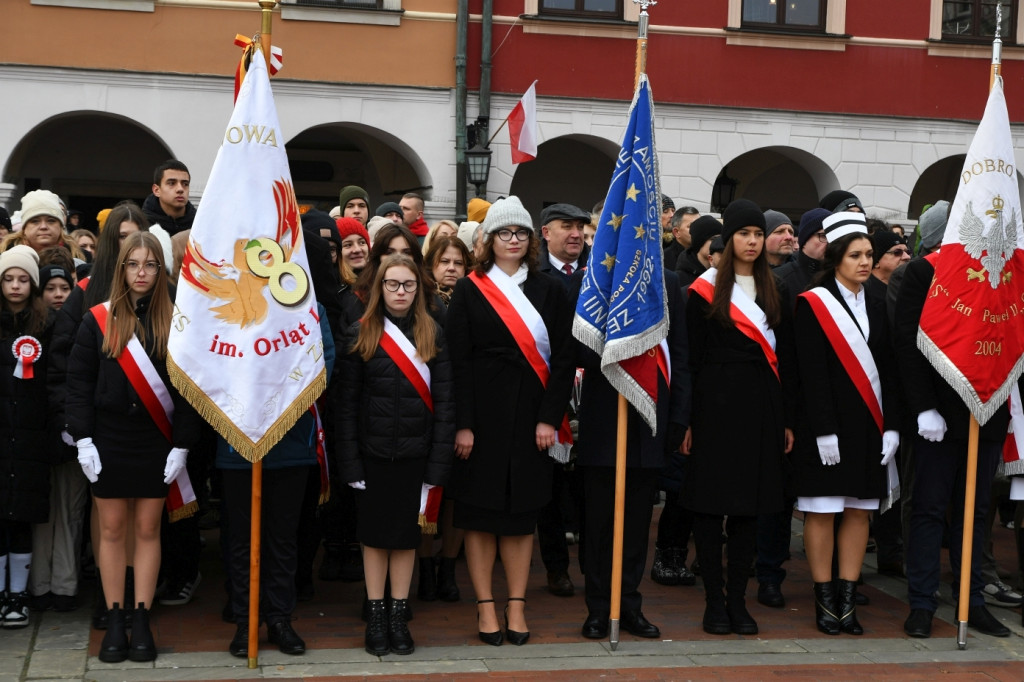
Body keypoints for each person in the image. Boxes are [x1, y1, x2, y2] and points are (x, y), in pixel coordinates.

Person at [446, 196, 575, 646]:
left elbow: (561, 362)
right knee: (479, 514)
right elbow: (456, 361)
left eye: (520, 232)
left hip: (531, 416)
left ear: (531, 239)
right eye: (504, 232)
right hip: (481, 416)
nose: (513, 240)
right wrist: (463, 423)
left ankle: (516, 603)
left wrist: (548, 419)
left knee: (522, 514)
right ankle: (485, 604)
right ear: (488, 240)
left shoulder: (550, 289)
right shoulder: (470, 288)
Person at [66, 231, 200, 662]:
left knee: (147, 530)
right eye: (133, 264)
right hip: (107, 442)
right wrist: (83, 439)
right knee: (110, 530)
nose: (141, 273)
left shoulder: (175, 321)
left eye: (150, 265)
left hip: (155, 442)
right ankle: (115, 615)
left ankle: (141, 617)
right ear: (121, 269)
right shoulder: (96, 321)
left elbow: (187, 391)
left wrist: (182, 445)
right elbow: (78, 385)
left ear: (161, 271)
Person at [682, 199, 796, 636]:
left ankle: (737, 600)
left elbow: (784, 359)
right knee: (711, 511)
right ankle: (713, 601)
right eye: (743, 234)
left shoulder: (777, 289)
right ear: (728, 240)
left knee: (751, 511)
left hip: (762, 410)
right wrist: (687, 421)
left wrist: (786, 419)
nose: (751, 241)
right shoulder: (701, 291)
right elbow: (690, 361)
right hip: (713, 409)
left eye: (756, 233)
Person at [338, 253, 455, 656]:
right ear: (379, 289)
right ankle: (375, 612)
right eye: (392, 285)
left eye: (407, 285)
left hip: (415, 456)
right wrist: (350, 462)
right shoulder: (362, 332)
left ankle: (397, 613)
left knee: (406, 538)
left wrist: (438, 464)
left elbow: (445, 404)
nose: (400, 292)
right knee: (373, 538)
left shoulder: (433, 333)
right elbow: (347, 405)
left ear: (418, 288)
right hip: (371, 456)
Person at [792, 212, 901, 636]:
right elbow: (809, 373)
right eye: (855, 254)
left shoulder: (878, 300)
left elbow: (889, 368)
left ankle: (847, 598)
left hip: (870, 426)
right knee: (821, 512)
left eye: (869, 255)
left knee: (858, 512)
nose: (864, 262)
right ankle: (824, 598)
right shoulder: (812, 301)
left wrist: (892, 425)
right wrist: (822, 430)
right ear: (835, 257)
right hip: (826, 429)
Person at [573, 267, 691, 640]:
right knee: (598, 524)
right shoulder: (593, 276)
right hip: (604, 417)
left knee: (638, 523)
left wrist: (680, 416)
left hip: (651, 414)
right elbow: (576, 346)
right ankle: (598, 607)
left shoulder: (668, 281)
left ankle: (628, 604)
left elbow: (682, 354)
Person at [0, 246, 56, 628]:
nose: (16, 285)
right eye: (8, 278)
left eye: (23, 279)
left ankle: (18, 594)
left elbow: (53, 383)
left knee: (22, 517)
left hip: (31, 436)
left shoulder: (47, 326)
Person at [142, 160, 196, 235]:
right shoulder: (142, 226)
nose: (180, 189)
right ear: (156, 190)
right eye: (171, 183)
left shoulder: (199, 224)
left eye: (185, 184)